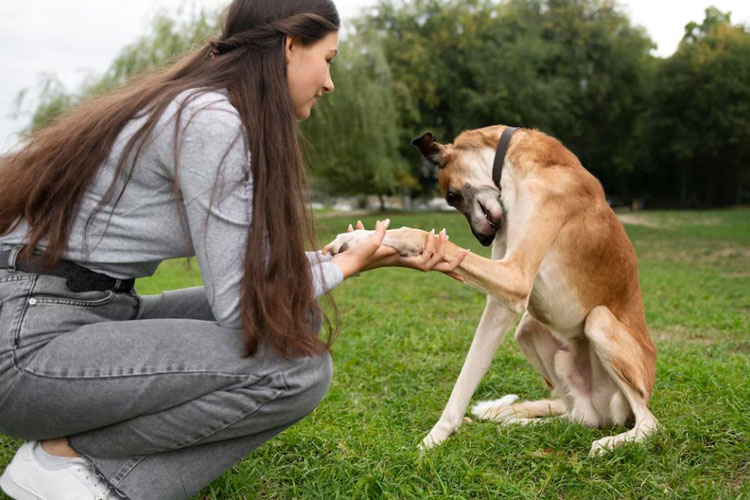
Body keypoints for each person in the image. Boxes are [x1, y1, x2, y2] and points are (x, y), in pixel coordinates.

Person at [0, 1, 468, 499]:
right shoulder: (209, 122)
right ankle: (74, 466)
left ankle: (72, 457)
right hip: (29, 346)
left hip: (83, 310)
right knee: (298, 368)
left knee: (299, 324)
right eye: (328, 59)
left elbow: (255, 271)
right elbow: (244, 300)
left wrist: (348, 257)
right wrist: (349, 265)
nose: (330, 82)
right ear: (290, 46)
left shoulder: (201, 109)